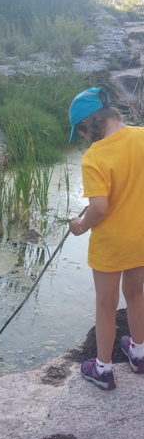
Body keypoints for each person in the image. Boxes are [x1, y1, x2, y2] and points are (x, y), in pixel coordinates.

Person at [68, 87, 144, 390]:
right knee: (137, 294)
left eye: (82, 134)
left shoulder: (94, 156)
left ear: (89, 127)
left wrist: (81, 225)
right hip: (141, 237)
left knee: (106, 305)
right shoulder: (141, 137)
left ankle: (102, 368)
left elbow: (99, 207)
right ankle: (138, 352)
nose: (85, 140)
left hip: (111, 245)